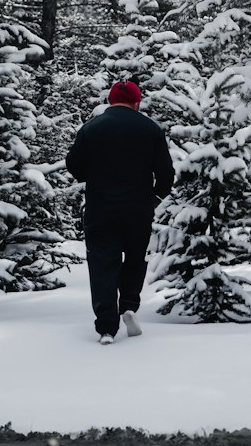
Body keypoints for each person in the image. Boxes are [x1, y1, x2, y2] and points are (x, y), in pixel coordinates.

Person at [65, 80, 175, 344]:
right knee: (135, 260)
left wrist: (92, 176)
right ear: (137, 103)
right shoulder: (150, 129)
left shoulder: (92, 128)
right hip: (138, 210)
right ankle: (128, 306)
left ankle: (106, 327)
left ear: (110, 101)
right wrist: (155, 197)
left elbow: (73, 164)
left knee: (103, 264)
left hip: (100, 209)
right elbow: (166, 173)